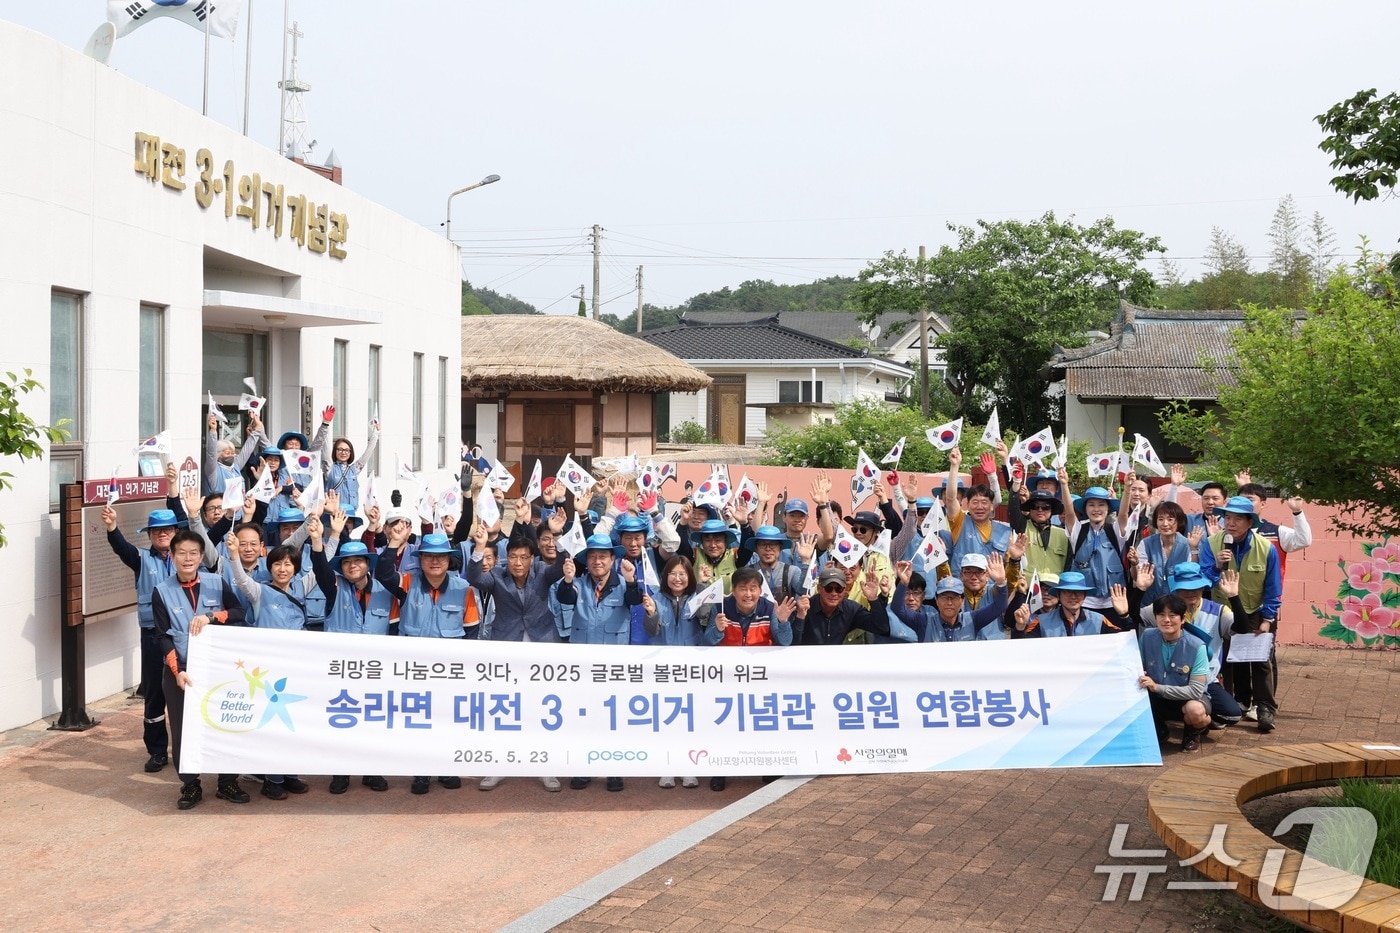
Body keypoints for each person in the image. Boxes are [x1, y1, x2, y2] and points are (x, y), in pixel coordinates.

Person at [469, 516, 569, 793]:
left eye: (524, 557)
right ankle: (499, 766)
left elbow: (561, 565)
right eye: (513, 557)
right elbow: (475, 577)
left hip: (542, 648)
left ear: (532, 558)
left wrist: (557, 535)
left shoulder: (542, 572)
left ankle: (546, 767)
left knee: (542, 709)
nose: (518, 562)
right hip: (507, 649)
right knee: (506, 709)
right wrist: (479, 547)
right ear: (506, 558)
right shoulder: (498, 577)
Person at [152, 529, 248, 810]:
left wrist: (211, 617)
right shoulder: (161, 591)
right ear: (172, 556)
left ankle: (227, 781)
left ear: (202, 556)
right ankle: (190, 784)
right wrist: (175, 671)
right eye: (181, 552)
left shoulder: (216, 582)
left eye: (194, 552)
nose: (188, 558)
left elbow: (238, 613)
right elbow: (162, 635)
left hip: (218, 669)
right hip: (181, 671)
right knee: (183, 728)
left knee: (225, 723)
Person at [225, 527, 323, 800]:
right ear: (270, 567)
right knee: (273, 726)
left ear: (295, 568)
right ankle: (272, 779)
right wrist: (234, 556)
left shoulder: (301, 589)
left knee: (294, 724)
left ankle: (290, 774)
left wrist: (327, 538)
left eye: (289, 564)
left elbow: (321, 568)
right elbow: (241, 580)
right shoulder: (260, 593)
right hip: (268, 675)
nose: (283, 569)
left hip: (296, 669)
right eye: (278, 563)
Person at [375, 532, 474, 796]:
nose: (434, 561)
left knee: (447, 721)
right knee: (421, 721)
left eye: (440, 556)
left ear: (449, 560)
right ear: (420, 559)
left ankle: (446, 767)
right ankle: (421, 772)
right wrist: (394, 543)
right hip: (415, 672)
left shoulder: (464, 590)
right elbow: (384, 574)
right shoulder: (407, 583)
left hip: (450, 672)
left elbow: (472, 632)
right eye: (429, 556)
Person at [554, 533, 645, 792]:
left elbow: (635, 600)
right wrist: (568, 578)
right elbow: (565, 597)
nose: (597, 561)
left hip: (614, 667)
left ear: (612, 559)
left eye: (603, 556)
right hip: (583, 667)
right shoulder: (578, 584)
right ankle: (584, 768)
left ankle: (615, 770)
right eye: (592, 556)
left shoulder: (624, 584)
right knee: (584, 718)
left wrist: (630, 581)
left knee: (612, 720)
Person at [701, 565, 801, 792]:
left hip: (760, 679)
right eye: (743, 589)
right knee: (725, 724)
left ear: (759, 590)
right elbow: (707, 643)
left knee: (762, 723)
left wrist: (783, 622)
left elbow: (785, 642)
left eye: (753, 588)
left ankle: (767, 765)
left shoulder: (770, 608)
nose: (748, 594)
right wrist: (716, 629)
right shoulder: (721, 608)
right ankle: (720, 770)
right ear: (733, 591)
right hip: (727, 678)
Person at [308, 532, 394, 795]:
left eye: (359, 560)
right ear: (341, 567)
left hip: (375, 672)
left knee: (372, 723)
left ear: (368, 565)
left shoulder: (385, 592)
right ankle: (341, 773)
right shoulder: (333, 588)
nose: (353, 565)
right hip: (341, 673)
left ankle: (371, 771)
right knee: (342, 722)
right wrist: (317, 541)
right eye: (347, 562)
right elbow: (321, 568)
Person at [101, 505, 181, 774]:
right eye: (157, 530)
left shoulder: (187, 557)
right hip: (152, 638)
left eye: (167, 529)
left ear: (176, 531)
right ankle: (157, 752)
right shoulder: (142, 559)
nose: (162, 534)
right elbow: (122, 549)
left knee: (187, 694)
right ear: (149, 535)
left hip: (183, 638)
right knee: (154, 695)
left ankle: (189, 749)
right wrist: (112, 528)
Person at [1199, 496, 1282, 734]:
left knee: (1260, 660)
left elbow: (1274, 587)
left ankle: (1265, 707)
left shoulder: (1266, 548)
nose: (1231, 523)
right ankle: (1232, 705)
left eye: (1237, 518)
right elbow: (1205, 579)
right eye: (1227, 517)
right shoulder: (1212, 543)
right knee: (1225, 660)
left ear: (1249, 522)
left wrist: (1268, 619)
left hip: (1255, 610)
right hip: (1223, 610)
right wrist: (1216, 566)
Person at [1137, 592, 1213, 752]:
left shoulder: (1197, 646)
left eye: (1172, 615)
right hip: (1157, 698)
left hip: (1186, 699)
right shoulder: (1147, 636)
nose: (1166, 620)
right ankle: (1160, 730)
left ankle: (1194, 732)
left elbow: (1195, 690)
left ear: (1183, 619)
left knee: (1196, 711)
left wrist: (1157, 687)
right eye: (1161, 615)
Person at [944, 447, 1012, 569]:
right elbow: (950, 498)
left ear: (992, 506)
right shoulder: (960, 522)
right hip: (962, 585)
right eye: (975, 502)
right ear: (967, 505)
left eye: (984, 502)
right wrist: (954, 466)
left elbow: (1008, 567)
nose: (979, 507)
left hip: (991, 587)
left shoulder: (1005, 532)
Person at [794, 564, 891, 645]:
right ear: (819, 589)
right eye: (828, 588)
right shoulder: (805, 607)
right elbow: (792, 642)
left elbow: (882, 628)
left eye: (839, 589)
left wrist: (873, 599)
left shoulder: (851, 609)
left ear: (844, 590)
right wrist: (800, 617)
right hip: (807, 661)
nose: (834, 593)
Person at [1013, 572, 1119, 637]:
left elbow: (1124, 643)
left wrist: (1124, 616)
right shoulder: (1041, 622)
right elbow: (1022, 650)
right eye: (1067, 592)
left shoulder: (1099, 620)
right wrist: (1020, 626)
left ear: (1085, 596)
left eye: (1078, 592)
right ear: (1058, 595)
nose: (1073, 596)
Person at [1137, 501, 1192, 603]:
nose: (1165, 524)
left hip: (1178, 604)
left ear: (1179, 521)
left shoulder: (1187, 545)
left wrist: (1194, 549)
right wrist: (1134, 564)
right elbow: (1139, 574)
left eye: (1170, 519)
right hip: (1149, 604)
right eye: (1160, 519)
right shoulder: (1146, 544)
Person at [203, 409, 266, 495]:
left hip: (239, 508)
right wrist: (213, 431)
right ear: (218, 455)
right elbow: (211, 454)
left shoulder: (235, 467)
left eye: (233, 453)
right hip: (219, 507)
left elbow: (245, 452)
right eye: (227, 453)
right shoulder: (213, 470)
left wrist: (257, 431)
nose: (232, 455)